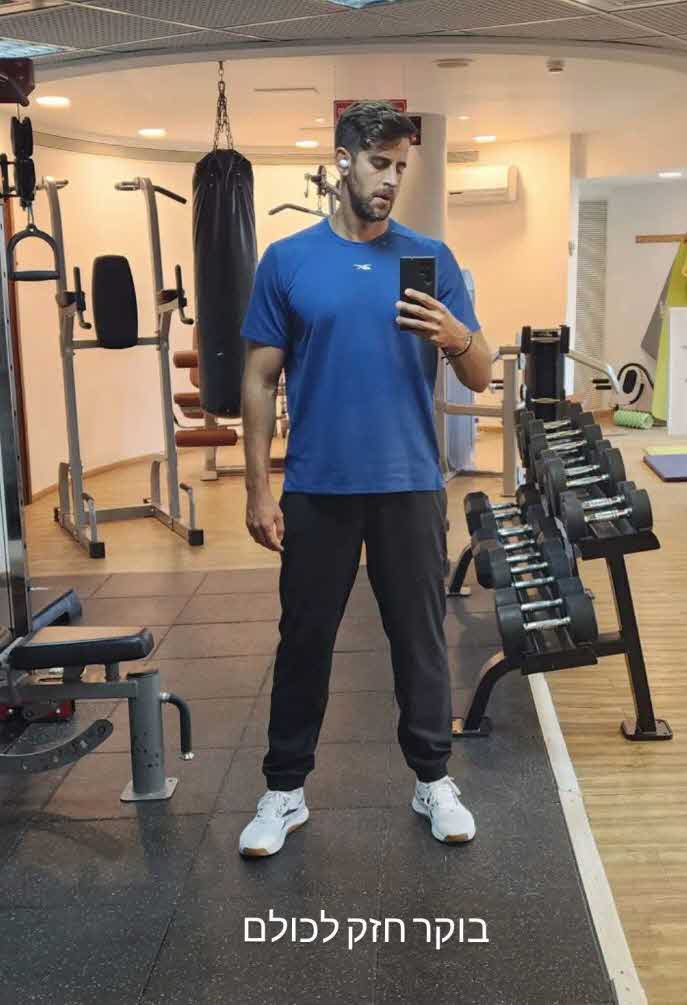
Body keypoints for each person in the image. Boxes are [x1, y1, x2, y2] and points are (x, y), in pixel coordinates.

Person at [239, 100, 491, 857]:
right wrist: (257, 487)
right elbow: (259, 378)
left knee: (418, 639)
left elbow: (479, 374)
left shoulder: (429, 259)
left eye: (401, 168)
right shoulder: (288, 260)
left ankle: (432, 779)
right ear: (343, 160)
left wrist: (457, 336)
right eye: (379, 164)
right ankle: (285, 790)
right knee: (304, 639)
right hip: (317, 485)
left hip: (409, 480)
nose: (390, 180)